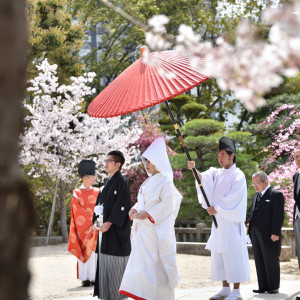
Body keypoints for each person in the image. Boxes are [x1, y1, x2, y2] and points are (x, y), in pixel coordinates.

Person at [119, 137, 182, 300]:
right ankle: (143, 294)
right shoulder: (147, 182)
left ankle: (158, 296)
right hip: (144, 232)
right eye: (146, 161)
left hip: (155, 232)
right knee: (142, 265)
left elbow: (168, 204)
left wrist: (147, 214)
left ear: (159, 162)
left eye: (151, 161)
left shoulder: (165, 182)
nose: (147, 164)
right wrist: (134, 209)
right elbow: (142, 202)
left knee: (156, 265)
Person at [187, 136, 250, 300]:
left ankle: (236, 290)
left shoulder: (238, 175)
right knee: (220, 255)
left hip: (231, 220)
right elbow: (203, 180)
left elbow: (235, 197)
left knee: (233, 254)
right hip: (219, 222)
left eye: (223, 154)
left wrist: (218, 208)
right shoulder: (216, 172)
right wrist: (194, 170)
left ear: (232, 155)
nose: (220, 158)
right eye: (218, 154)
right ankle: (225, 287)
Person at [93, 150, 131, 300]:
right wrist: (96, 219)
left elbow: (123, 205)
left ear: (118, 164)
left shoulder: (122, 181)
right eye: (106, 160)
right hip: (104, 231)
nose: (106, 163)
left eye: (109, 160)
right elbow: (99, 204)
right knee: (104, 265)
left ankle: (117, 297)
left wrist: (110, 222)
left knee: (115, 267)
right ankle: (106, 296)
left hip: (116, 233)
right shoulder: (107, 182)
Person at [248, 171, 285, 294]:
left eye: (257, 183)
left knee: (271, 259)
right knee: (259, 259)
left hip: (269, 233)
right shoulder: (256, 196)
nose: (255, 186)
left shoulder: (276, 194)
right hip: (255, 233)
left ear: (265, 182)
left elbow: (278, 216)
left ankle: (273, 286)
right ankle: (262, 286)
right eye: (253, 183)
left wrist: (275, 232)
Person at [68, 159, 99, 287]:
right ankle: (85, 278)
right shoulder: (76, 194)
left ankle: (94, 277)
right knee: (84, 250)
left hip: (96, 226)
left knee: (95, 253)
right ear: (85, 178)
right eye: (92, 177)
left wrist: (98, 220)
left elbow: (101, 207)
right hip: (83, 228)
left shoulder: (97, 191)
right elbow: (77, 212)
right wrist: (91, 221)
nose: (94, 179)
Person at [293, 147, 300, 274]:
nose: (298, 159)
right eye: (295, 157)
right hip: (297, 217)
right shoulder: (296, 176)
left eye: (299, 156)